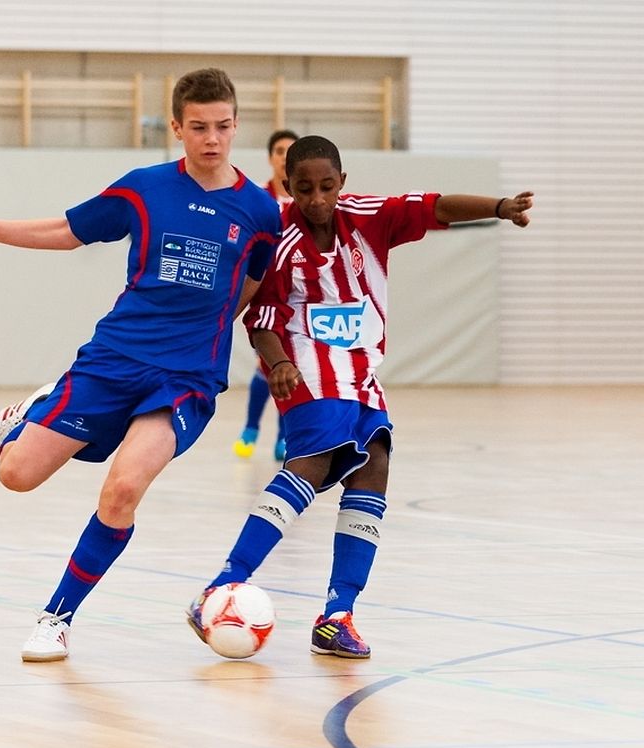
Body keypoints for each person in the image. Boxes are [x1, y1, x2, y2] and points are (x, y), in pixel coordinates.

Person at [0, 68, 281, 663]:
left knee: (123, 489)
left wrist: (207, 334)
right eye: (199, 127)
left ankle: (56, 618)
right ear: (177, 128)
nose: (212, 139)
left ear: (236, 125)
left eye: (223, 126)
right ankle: (30, 411)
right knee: (16, 475)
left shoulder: (260, 212)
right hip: (114, 360)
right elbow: (65, 230)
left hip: (185, 379)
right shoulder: (144, 189)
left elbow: (252, 285)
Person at [188, 135, 533, 658]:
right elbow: (260, 318)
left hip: (362, 372)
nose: (317, 199)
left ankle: (337, 614)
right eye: (305, 189)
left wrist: (501, 207)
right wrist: (278, 363)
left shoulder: (369, 218)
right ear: (288, 187)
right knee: (312, 463)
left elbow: (435, 206)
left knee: (375, 466)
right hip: (307, 369)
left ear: (342, 183)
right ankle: (222, 584)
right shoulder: (277, 238)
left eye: (327, 186)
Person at [234, 129, 297, 462]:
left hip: (297, 295)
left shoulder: (306, 200)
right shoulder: (259, 197)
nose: (285, 158)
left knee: (291, 365)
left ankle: (284, 436)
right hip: (264, 291)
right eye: (280, 151)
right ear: (271, 158)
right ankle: (250, 427)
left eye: (291, 151)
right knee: (267, 365)